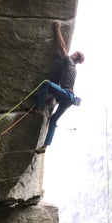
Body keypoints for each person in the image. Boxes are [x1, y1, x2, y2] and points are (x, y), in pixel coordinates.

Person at [33, 22, 84, 153]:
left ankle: (37, 107)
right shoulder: (73, 69)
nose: (71, 54)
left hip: (66, 95)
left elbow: (62, 47)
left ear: (75, 58)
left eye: (74, 54)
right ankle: (45, 146)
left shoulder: (70, 63)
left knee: (46, 84)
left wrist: (57, 29)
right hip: (68, 99)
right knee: (54, 119)